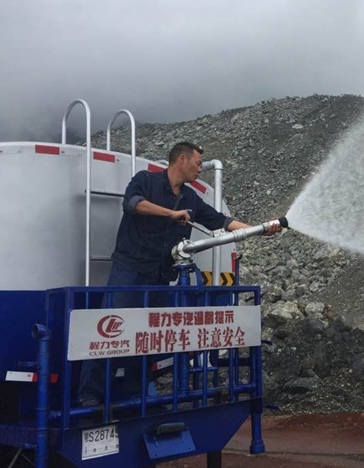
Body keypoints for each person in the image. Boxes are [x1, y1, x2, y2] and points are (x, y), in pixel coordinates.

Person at [77, 141, 282, 407]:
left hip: (161, 276)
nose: (200, 169)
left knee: (148, 339)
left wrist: (261, 229)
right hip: (130, 270)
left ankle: (134, 395)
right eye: (197, 163)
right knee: (109, 332)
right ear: (181, 160)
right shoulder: (146, 181)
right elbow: (134, 204)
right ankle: (90, 395)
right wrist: (170, 214)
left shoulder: (190, 198)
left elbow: (221, 221)